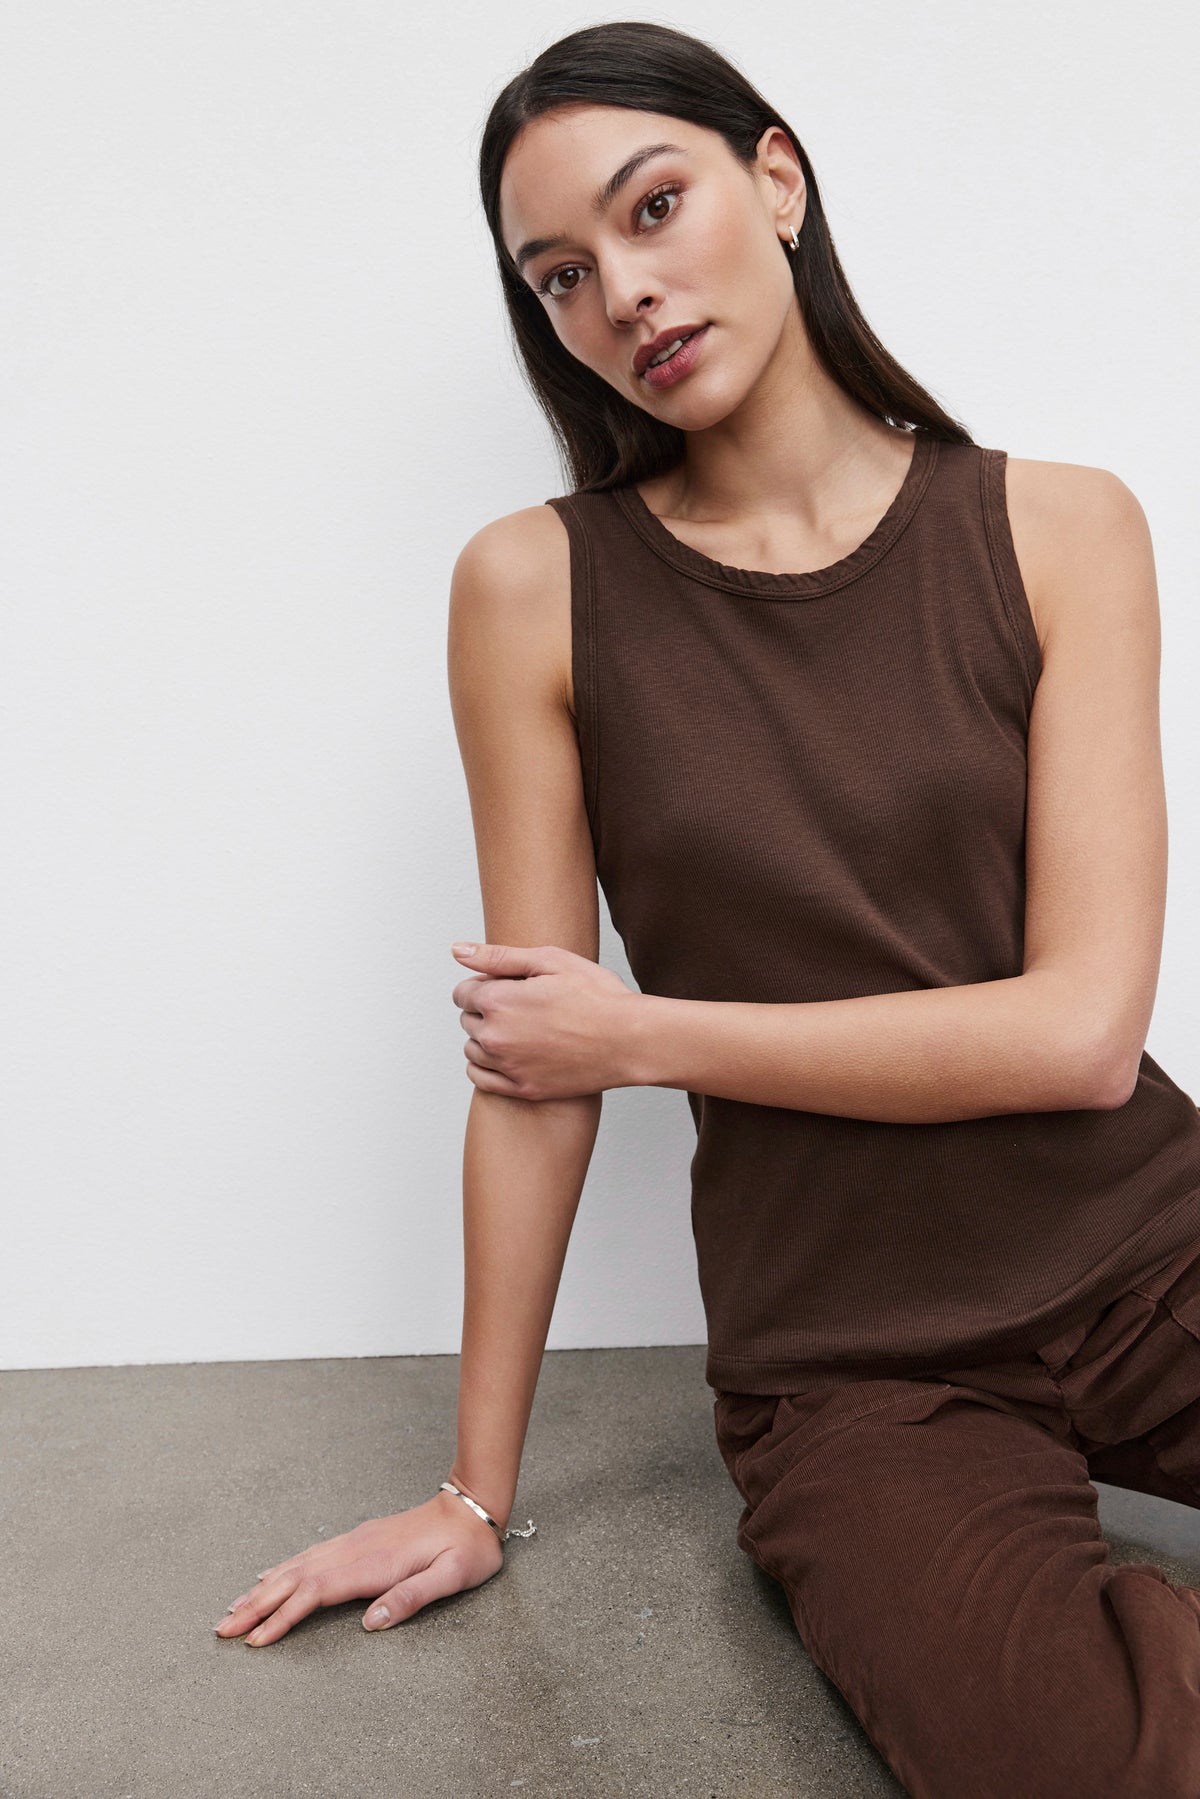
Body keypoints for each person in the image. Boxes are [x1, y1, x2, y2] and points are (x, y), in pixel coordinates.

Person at [214, 20, 1200, 1796]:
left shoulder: (1062, 530)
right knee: (1084, 1765)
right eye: (564, 276)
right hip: (859, 1363)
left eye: (656, 208)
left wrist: (647, 1030)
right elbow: (537, 1068)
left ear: (779, 179)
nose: (626, 296)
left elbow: (1079, 1036)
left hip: (1154, 1253)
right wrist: (471, 1495)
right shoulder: (535, 587)